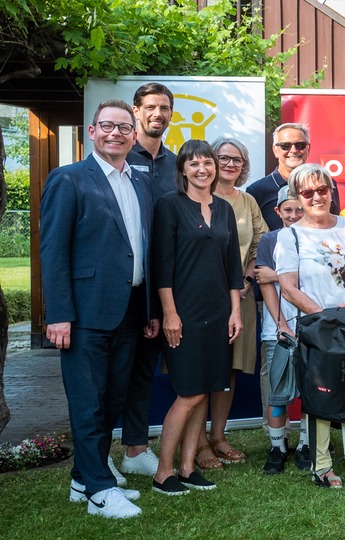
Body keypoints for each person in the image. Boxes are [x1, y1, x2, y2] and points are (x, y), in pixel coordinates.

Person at [41, 99, 157, 518]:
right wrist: (58, 313)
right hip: (84, 313)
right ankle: (99, 491)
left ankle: (81, 477)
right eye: (107, 126)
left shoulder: (141, 182)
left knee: (112, 400)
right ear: (92, 132)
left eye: (124, 128)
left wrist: (149, 311)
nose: (115, 134)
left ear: (133, 135)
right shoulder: (68, 179)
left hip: (129, 309)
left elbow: (141, 249)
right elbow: (53, 251)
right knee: (88, 401)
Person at [275, 164, 345, 488]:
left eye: (322, 190)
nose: (316, 197)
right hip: (318, 327)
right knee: (320, 394)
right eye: (308, 192)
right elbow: (288, 287)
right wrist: (327, 317)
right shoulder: (290, 235)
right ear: (298, 196)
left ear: (332, 191)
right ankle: (321, 464)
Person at [151, 140, 244, 495]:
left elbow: (233, 267)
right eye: (194, 164)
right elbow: (162, 266)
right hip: (184, 312)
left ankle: (188, 468)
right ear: (183, 170)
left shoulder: (222, 209)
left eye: (207, 163)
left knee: (205, 391)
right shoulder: (169, 206)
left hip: (219, 312)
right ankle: (164, 472)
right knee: (188, 393)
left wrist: (235, 311)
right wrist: (170, 314)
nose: (202, 169)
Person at [186, 137, 268, 470]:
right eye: (223, 158)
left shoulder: (248, 201)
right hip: (202, 297)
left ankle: (218, 436)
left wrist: (247, 280)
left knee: (229, 368)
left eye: (237, 159)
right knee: (202, 369)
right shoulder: (196, 199)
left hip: (241, 296)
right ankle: (199, 444)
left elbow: (261, 244)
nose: (231, 164)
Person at [120, 82, 177, 479]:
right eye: (151, 106)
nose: (158, 113)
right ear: (136, 111)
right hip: (128, 283)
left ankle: (136, 450)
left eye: (165, 107)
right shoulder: (121, 156)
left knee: (145, 370)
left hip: (167, 283)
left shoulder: (178, 164)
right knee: (114, 372)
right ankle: (99, 453)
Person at [257, 186, 306, 474]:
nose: (294, 215)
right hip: (278, 327)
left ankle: (307, 444)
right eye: (288, 210)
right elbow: (264, 283)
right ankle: (277, 446)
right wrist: (281, 325)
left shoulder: (313, 237)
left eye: (299, 209)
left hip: (310, 326)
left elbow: (306, 276)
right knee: (277, 392)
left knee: (311, 390)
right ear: (278, 212)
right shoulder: (269, 240)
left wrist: (277, 274)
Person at [247, 123, 340, 231]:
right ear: (275, 150)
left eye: (300, 145)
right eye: (285, 146)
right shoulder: (257, 191)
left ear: (308, 148)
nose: (294, 150)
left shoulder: (326, 185)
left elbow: (334, 224)